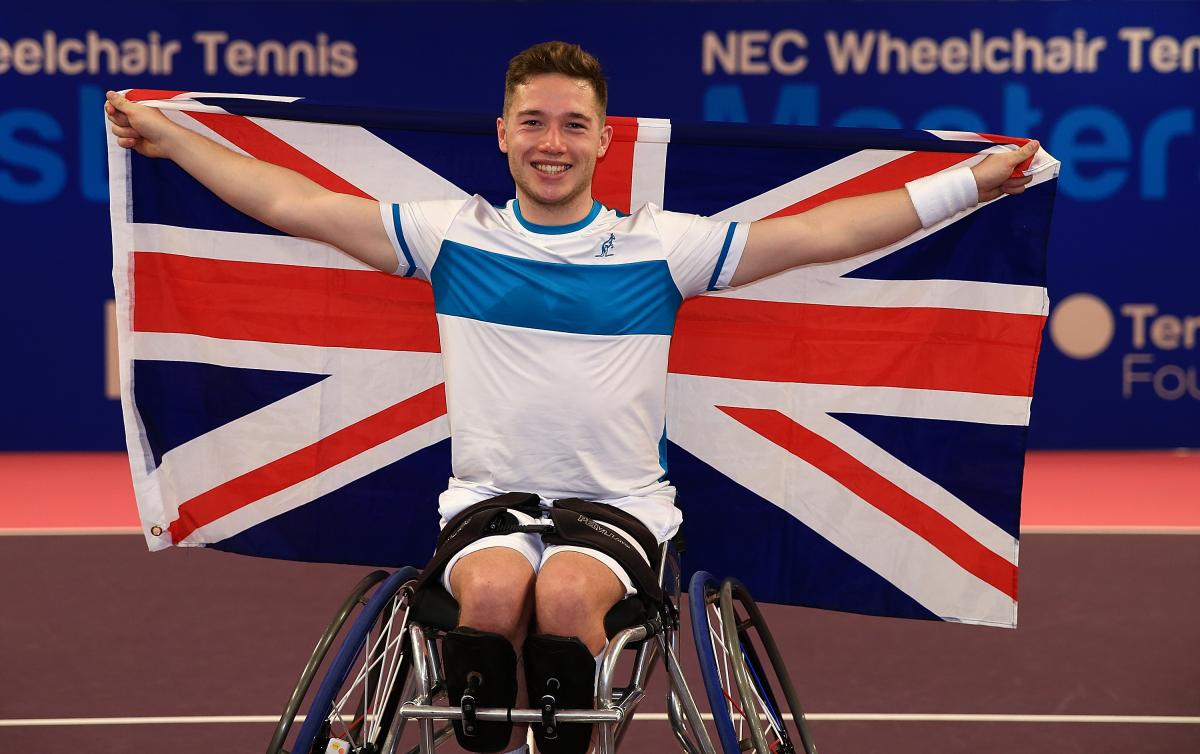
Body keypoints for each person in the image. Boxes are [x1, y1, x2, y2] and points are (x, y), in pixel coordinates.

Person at [107, 40, 1037, 754]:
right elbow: (289, 202)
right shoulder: (449, 238)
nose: (553, 143)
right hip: (486, 507)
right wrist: (172, 139)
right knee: (496, 593)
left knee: (561, 602)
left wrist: (972, 181)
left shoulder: (659, 247)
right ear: (504, 133)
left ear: (601, 138)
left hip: (622, 512)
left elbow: (826, 229)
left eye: (573, 125)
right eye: (535, 122)